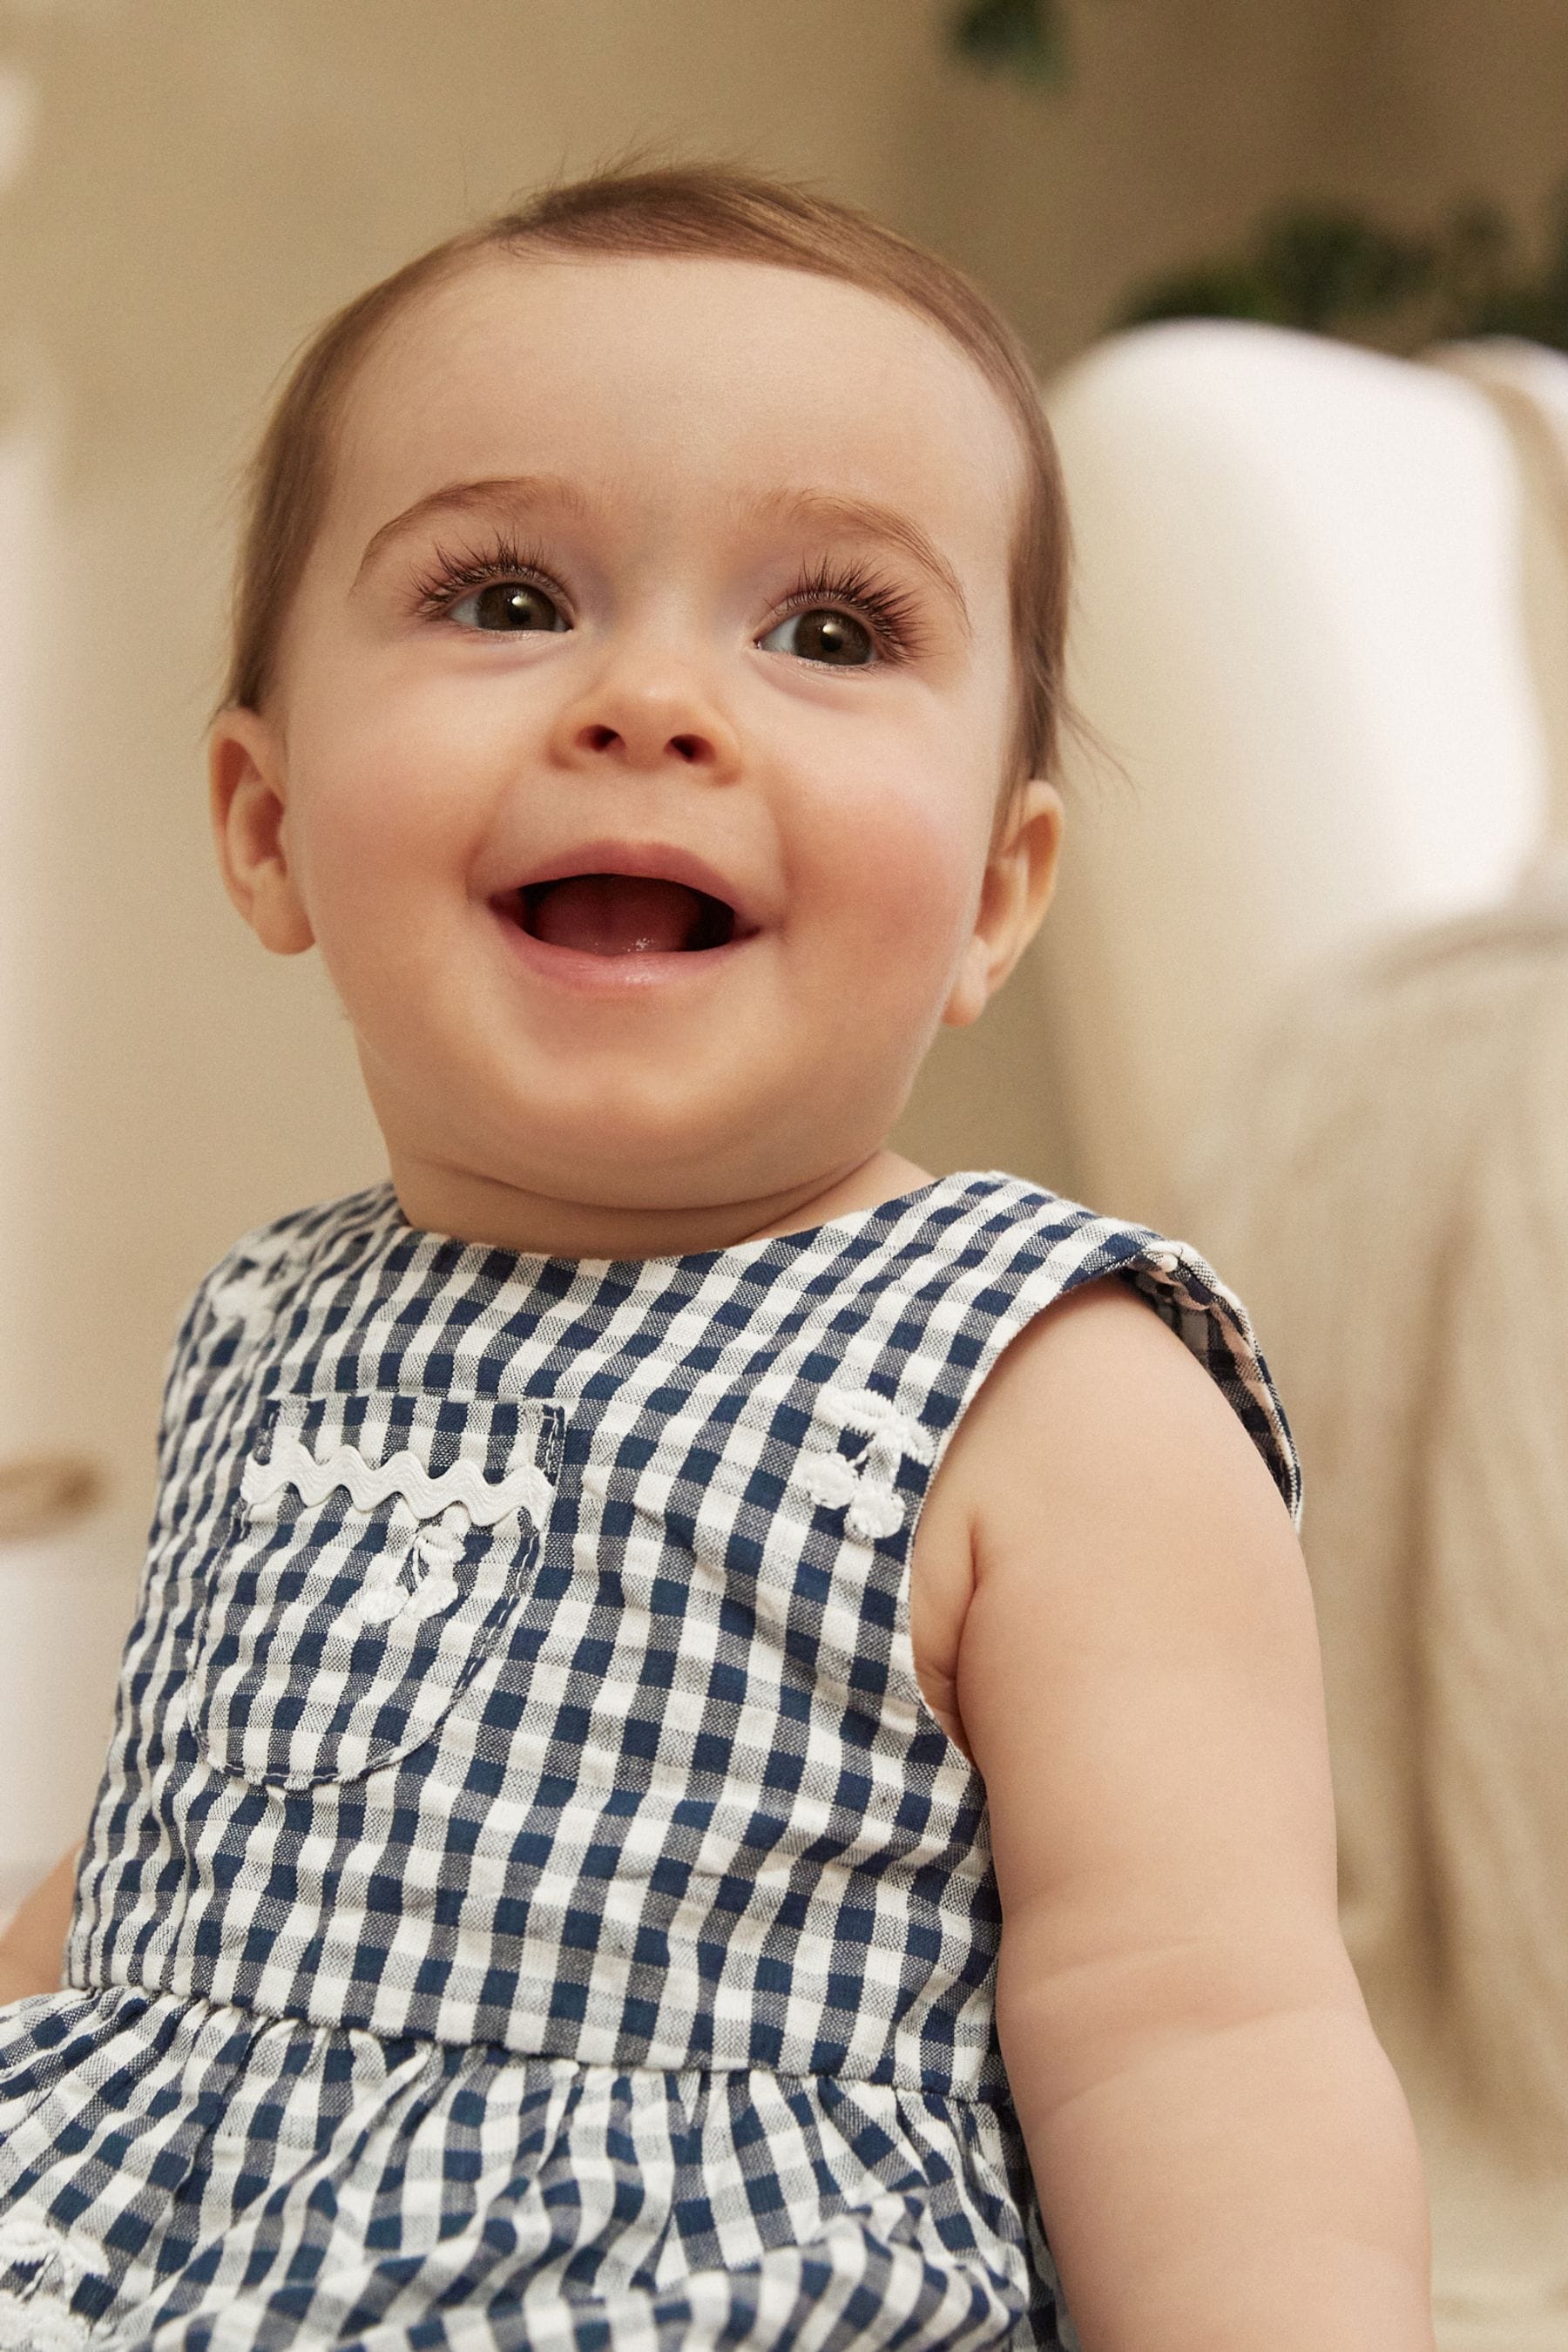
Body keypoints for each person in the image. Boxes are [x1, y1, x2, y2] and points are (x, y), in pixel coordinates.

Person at [0, 160, 1433, 2350]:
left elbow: (1202, 2038)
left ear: (990, 896)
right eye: (501, 599)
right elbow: (150, 1887)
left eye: (830, 632)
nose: (652, 701)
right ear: (266, 822)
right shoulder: (272, 1321)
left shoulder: (1043, 1384)